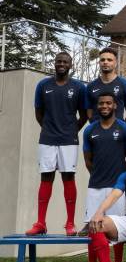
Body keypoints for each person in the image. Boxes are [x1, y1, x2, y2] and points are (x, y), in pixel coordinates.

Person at [26, 52, 87, 236]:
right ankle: (41, 223)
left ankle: (70, 223)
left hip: (69, 140)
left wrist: (70, 131)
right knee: (46, 178)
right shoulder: (43, 85)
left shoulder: (78, 87)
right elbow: (39, 113)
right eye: (59, 61)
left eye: (65, 62)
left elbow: (83, 115)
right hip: (47, 139)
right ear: (54, 64)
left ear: (70, 65)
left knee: (68, 178)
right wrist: (49, 129)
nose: (61, 64)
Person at [79, 93, 126, 262]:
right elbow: (88, 160)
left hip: (116, 189)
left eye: (108, 103)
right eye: (101, 103)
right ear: (97, 106)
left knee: (116, 227)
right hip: (95, 186)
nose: (104, 106)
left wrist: (120, 178)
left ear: (115, 105)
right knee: (93, 225)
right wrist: (97, 174)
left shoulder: (125, 129)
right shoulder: (90, 130)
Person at [86, 47, 126, 122]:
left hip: (118, 132)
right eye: (102, 60)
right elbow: (89, 110)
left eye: (109, 60)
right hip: (96, 131)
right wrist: (94, 126)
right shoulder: (90, 86)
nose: (105, 62)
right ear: (99, 63)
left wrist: (124, 128)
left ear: (115, 63)